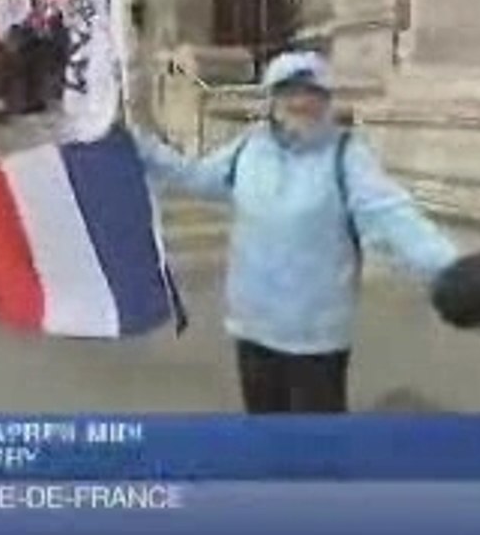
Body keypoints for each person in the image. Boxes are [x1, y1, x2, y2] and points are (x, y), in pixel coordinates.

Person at [134, 51, 458, 414]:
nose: (301, 101)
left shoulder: (345, 156)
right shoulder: (249, 147)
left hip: (314, 339)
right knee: (264, 431)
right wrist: (139, 146)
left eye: (312, 92)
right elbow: (196, 177)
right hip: (253, 327)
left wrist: (454, 269)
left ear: (326, 99)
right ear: (272, 99)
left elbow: (393, 216)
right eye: (288, 91)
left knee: (313, 441)